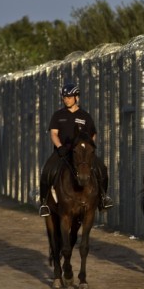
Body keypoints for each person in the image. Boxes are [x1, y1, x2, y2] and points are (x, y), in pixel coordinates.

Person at [38, 83, 114, 216]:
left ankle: (103, 197)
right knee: (47, 170)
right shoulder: (58, 115)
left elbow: (93, 134)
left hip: (82, 154)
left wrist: (87, 148)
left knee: (102, 168)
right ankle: (44, 203)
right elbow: (54, 133)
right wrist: (60, 147)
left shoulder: (85, 116)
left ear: (76, 97)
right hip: (62, 152)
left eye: (69, 97)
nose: (66, 99)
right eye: (64, 97)